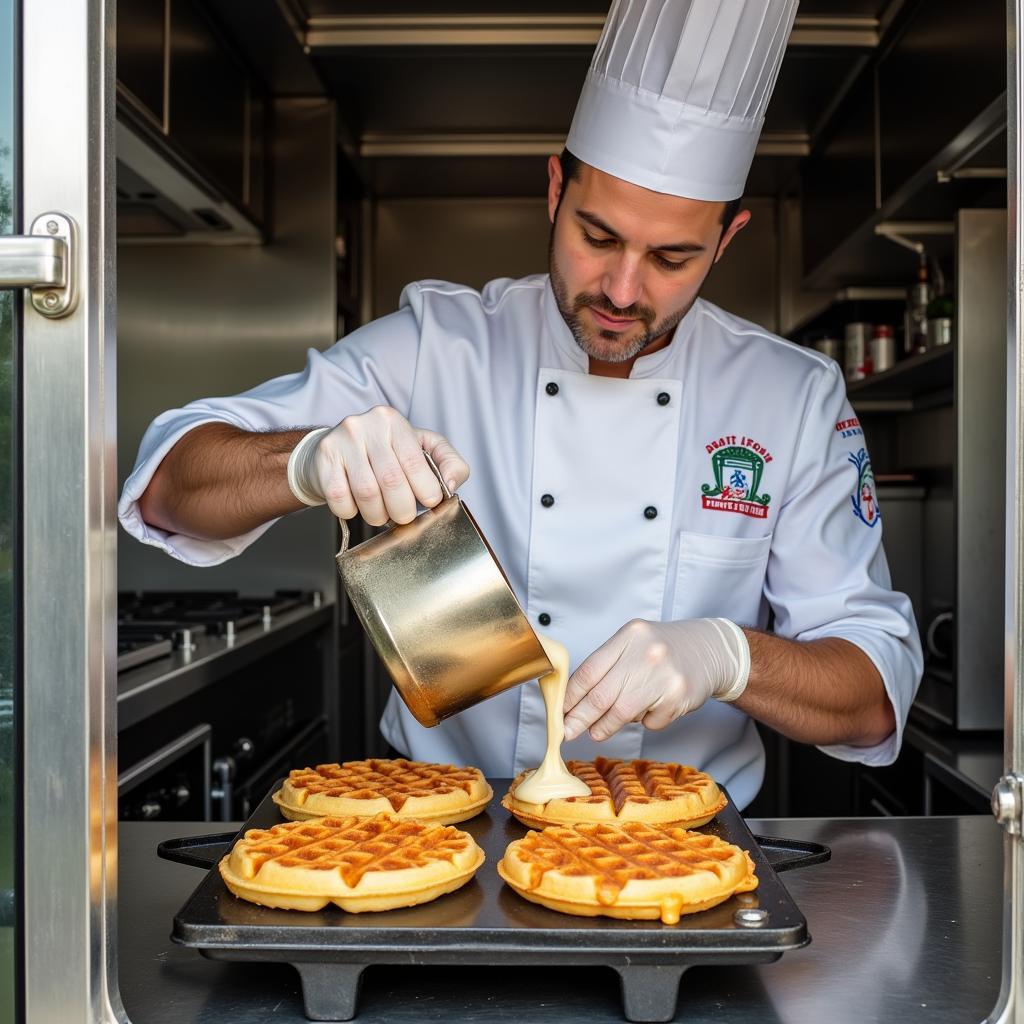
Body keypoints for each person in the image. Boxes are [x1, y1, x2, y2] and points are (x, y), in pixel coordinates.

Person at [118, 0, 922, 809]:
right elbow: (166, 489)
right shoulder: (437, 344)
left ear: (728, 240)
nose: (621, 289)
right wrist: (303, 461)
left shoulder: (791, 396)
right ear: (553, 191)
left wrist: (729, 656)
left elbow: (872, 695)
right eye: (598, 236)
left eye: (673, 257)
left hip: (684, 854)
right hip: (436, 835)